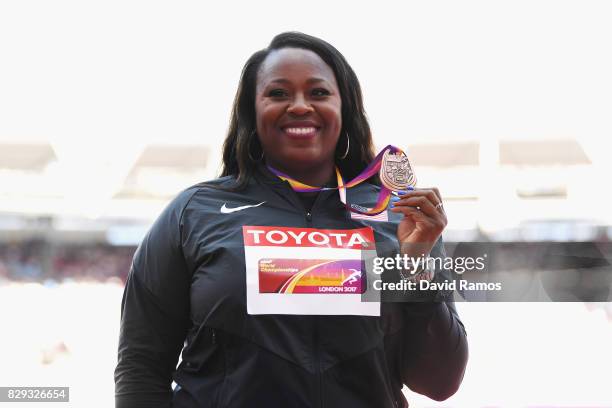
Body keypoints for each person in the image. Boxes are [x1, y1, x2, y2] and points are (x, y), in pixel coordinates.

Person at [114, 31, 468, 408]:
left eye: (318, 93)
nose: (300, 106)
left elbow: (439, 383)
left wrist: (414, 267)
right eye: (278, 93)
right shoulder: (193, 213)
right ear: (252, 111)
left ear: (344, 108)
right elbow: (141, 367)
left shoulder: (399, 217)